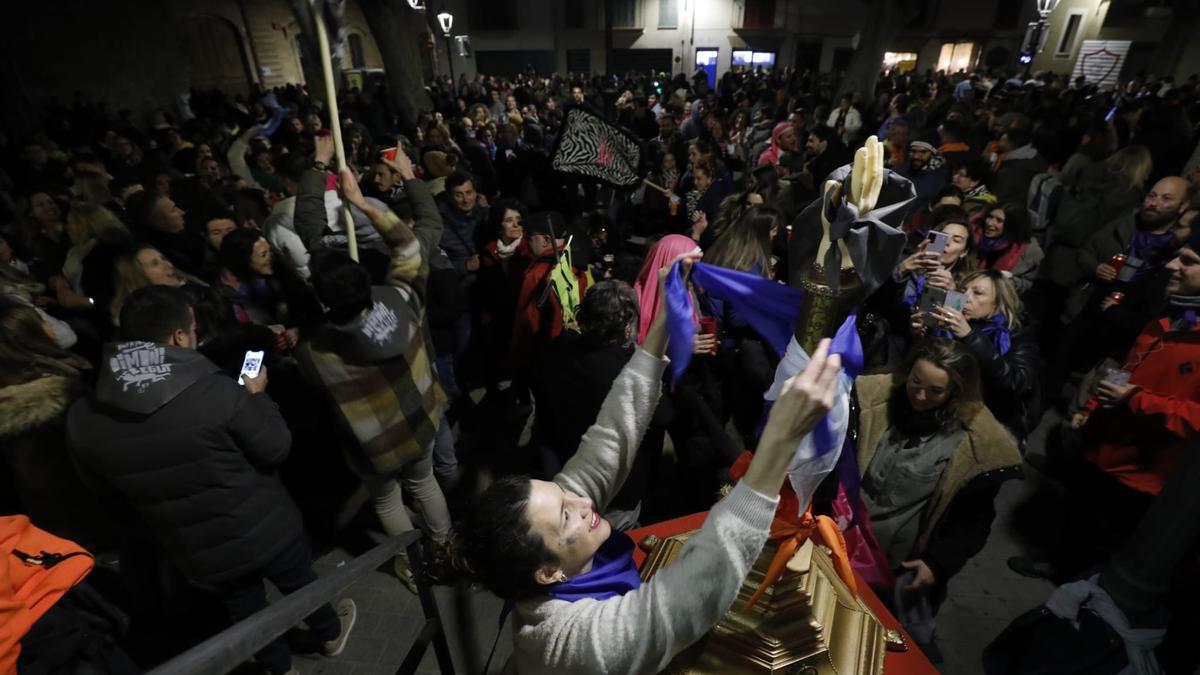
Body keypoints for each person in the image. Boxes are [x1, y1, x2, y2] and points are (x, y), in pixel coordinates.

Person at [444, 249, 843, 674]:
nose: (583, 503)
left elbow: (609, 440)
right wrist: (777, 448)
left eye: (563, 492)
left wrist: (660, 329)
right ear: (547, 573)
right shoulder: (568, 643)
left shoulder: (555, 547)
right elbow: (680, 603)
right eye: (566, 516)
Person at [67, 285, 356, 675]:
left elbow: (103, 490)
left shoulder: (83, 417)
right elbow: (274, 447)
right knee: (301, 584)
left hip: (195, 547)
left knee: (246, 612)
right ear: (179, 337)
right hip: (263, 526)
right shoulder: (217, 392)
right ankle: (329, 632)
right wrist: (257, 396)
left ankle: (279, 667)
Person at [1010, 236, 1200, 582]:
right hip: (1104, 446)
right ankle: (1058, 567)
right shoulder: (1169, 316)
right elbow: (1129, 368)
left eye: (1187, 260)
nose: (1173, 266)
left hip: (1142, 472)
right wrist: (1094, 407)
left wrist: (1136, 400)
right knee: (1078, 516)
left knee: (1106, 544)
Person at [298, 168, 452, 592]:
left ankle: (413, 563)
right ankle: (444, 550)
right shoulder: (404, 300)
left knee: (387, 499)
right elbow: (408, 246)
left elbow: (302, 377)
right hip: (421, 419)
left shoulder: (319, 352)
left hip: (375, 446)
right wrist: (364, 204)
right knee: (425, 482)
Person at [855, 338, 1022, 654]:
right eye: (916, 382)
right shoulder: (872, 405)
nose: (919, 395)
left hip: (896, 569)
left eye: (934, 391)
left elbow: (974, 521)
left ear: (956, 393)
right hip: (846, 545)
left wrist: (937, 562)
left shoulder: (974, 447)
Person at [0, 298, 106, 547]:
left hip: (48, 530)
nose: (50, 326)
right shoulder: (64, 395)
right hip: (95, 518)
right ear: (30, 338)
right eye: (41, 322)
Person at [913, 269, 1041, 439]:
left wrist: (970, 335)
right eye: (963, 291)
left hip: (992, 418)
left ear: (996, 303)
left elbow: (1015, 381)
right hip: (946, 409)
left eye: (978, 293)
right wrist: (919, 333)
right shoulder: (949, 323)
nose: (966, 298)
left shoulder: (1017, 332)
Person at [216, 228, 322, 348]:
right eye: (263, 255)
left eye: (270, 251)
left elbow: (309, 308)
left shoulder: (279, 272)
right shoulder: (226, 293)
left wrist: (298, 329)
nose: (270, 257)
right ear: (243, 260)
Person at [973, 203, 1043, 294]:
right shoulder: (974, 235)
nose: (989, 223)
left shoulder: (1028, 251)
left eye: (999, 220)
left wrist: (1011, 283)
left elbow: (1027, 281)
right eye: (990, 217)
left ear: (1013, 225)